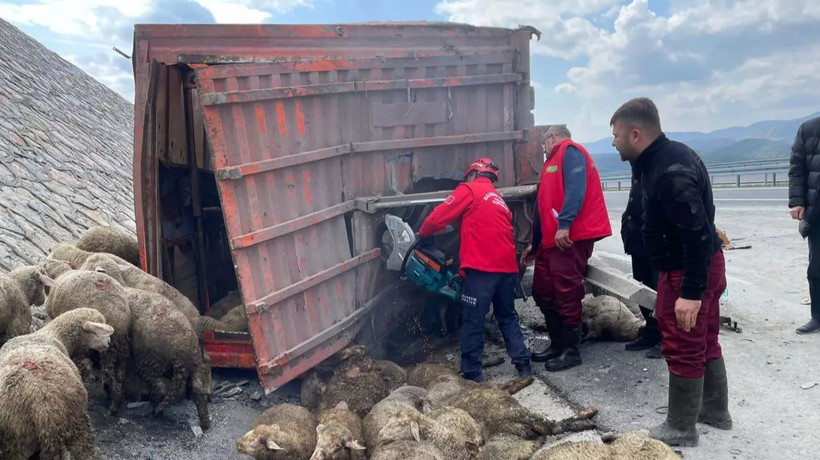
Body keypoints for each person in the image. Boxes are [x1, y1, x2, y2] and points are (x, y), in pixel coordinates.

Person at [610, 97, 731, 447]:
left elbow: (697, 233)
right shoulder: (662, 159)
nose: (613, 142)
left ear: (636, 134)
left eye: (616, 135)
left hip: (688, 270)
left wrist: (691, 292)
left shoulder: (669, 171)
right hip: (693, 266)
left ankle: (681, 427)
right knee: (704, 338)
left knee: (682, 343)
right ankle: (714, 412)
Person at [419, 158, 532, 382]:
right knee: (507, 316)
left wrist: (423, 233)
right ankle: (523, 365)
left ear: (472, 175)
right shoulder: (499, 200)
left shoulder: (468, 189)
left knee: (473, 319)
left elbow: (438, 217)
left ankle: (472, 373)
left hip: (482, 271)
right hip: (508, 271)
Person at [521, 125, 611, 372]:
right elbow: (542, 207)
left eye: (543, 144)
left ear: (552, 137)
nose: (543, 149)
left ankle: (571, 351)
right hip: (550, 243)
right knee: (543, 292)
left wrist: (565, 224)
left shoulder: (569, 152)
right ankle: (557, 344)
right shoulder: (551, 164)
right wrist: (535, 244)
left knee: (566, 293)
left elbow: (575, 190)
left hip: (569, 238)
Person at [621, 168, 663, 358]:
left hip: (658, 242)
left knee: (659, 291)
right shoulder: (639, 166)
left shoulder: (659, 164)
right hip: (639, 239)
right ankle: (652, 332)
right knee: (643, 288)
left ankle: (667, 338)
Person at [788, 115, 820, 334]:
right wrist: (797, 200)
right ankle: (817, 316)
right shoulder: (809, 129)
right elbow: (797, 166)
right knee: (816, 268)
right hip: (817, 210)